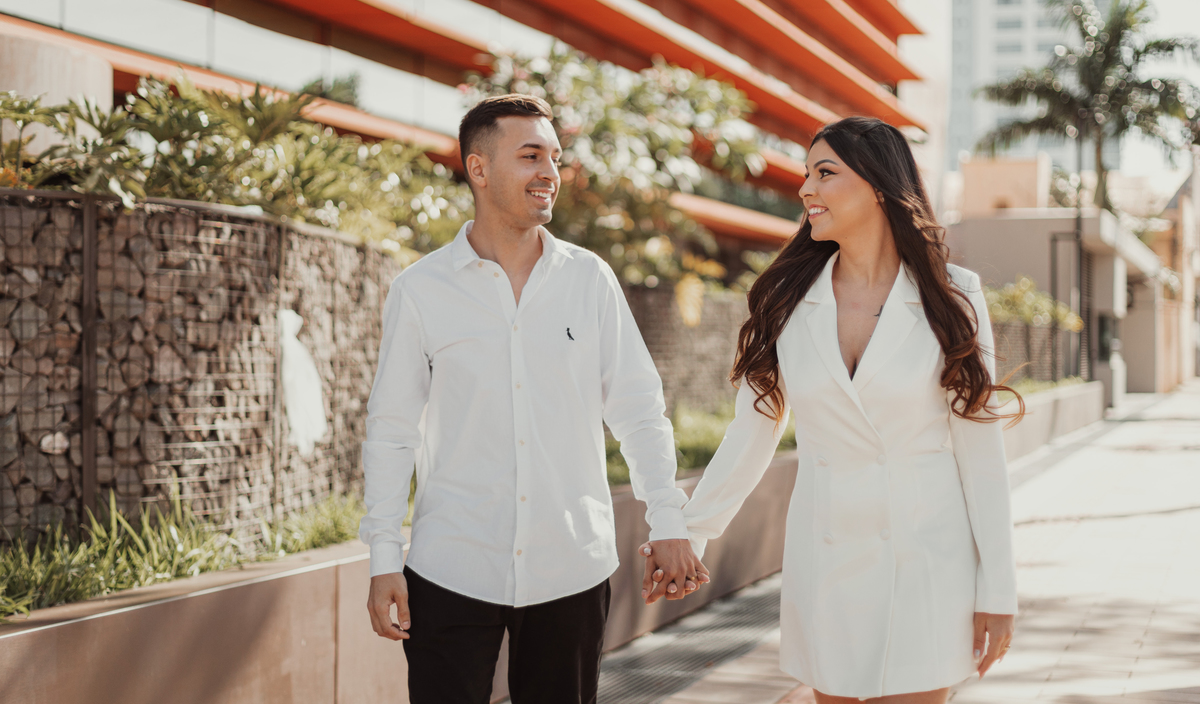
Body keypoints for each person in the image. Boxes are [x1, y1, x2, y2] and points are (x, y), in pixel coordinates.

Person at [641, 116, 1020, 702]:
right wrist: (691, 534)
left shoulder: (955, 294)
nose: (805, 190)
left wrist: (998, 588)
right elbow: (752, 432)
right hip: (828, 558)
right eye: (806, 174)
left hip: (927, 560)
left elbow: (982, 452)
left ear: (877, 184)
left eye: (825, 172)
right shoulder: (788, 298)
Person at [359, 93, 708, 704]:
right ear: (479, 168)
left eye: (555, 156)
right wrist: (383, 557)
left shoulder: (589, 280)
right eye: (530, 156)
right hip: (451, 568)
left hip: (570, 566)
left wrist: (668, 518)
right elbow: (392, 430)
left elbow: (638, 409)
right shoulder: (420, 291)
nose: (550, 173)